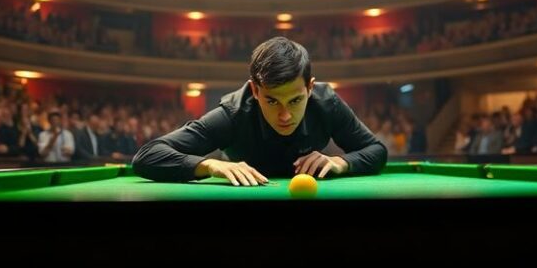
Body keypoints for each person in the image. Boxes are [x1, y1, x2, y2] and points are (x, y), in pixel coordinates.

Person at [132, 37, 387, 185]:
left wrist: (341, 162)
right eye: (273, 101)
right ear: (255, 91)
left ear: (310, 88)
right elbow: (147, 156)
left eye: (296, 101)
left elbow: (377, 151)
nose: (285, 116)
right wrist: (210, 166)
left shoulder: (327, 103)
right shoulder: (233, 114)